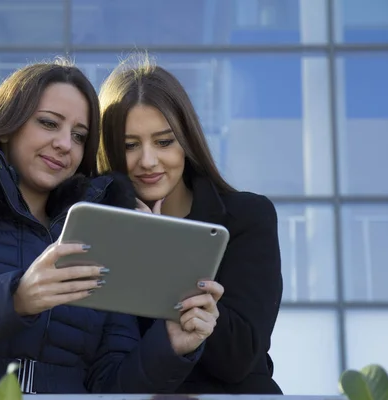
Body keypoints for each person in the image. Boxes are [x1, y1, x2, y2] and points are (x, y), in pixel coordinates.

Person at [0, 59, 224, 395]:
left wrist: (171, 344)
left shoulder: (101, 233)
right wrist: (16, 298)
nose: (64, 143)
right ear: (8, 125)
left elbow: (110, 386)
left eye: (80, 135)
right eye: (49, 123)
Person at [97, 55, 284, 394]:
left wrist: (160, 249)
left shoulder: (246, 217)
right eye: (129, 145)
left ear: (187, 141)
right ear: (109, 150)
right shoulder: (97, 229)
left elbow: (240, 358)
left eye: (164, 141)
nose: (148, 160)